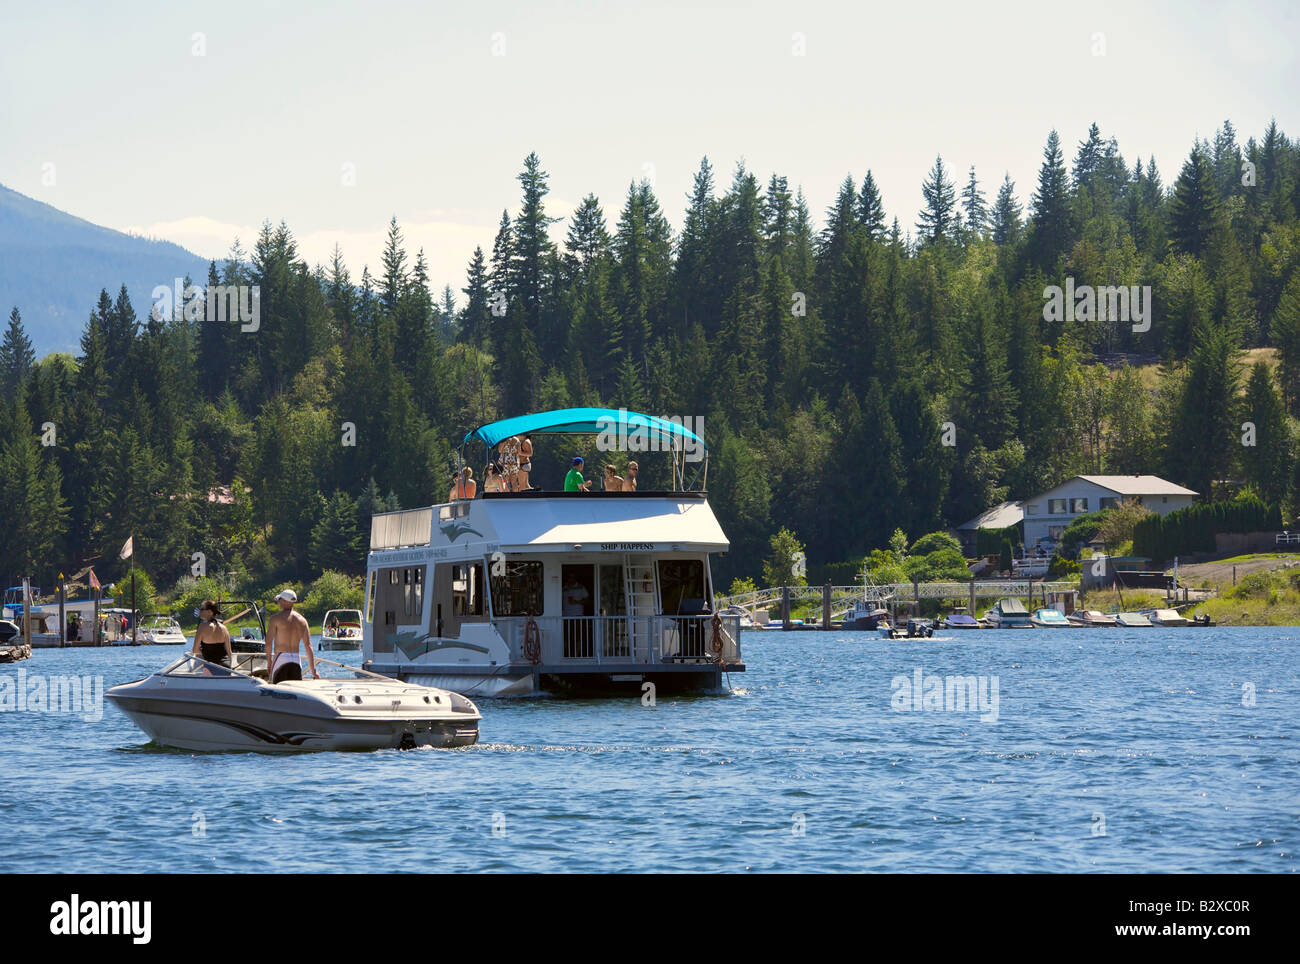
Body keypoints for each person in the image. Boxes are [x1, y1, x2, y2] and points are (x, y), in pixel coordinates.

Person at [266, 588, 317, 683]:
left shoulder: (275, 619)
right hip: (296, 660)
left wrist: (269, 662)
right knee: (295, 692)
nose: (279, 602)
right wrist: (312, 669)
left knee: (277, 691)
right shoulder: (302, 620)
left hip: (280, 658)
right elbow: (308, 645)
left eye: (280, 600)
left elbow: (268, 643)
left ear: (285, 601)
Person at [192, 600, 232, 668]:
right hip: (226, 667)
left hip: (211, 667)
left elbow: (195, 650)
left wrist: (205, 654)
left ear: (209, 612)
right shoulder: (224, 628)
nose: (200, 611)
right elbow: (229, 652)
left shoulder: (202, 627)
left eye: (202, 609)